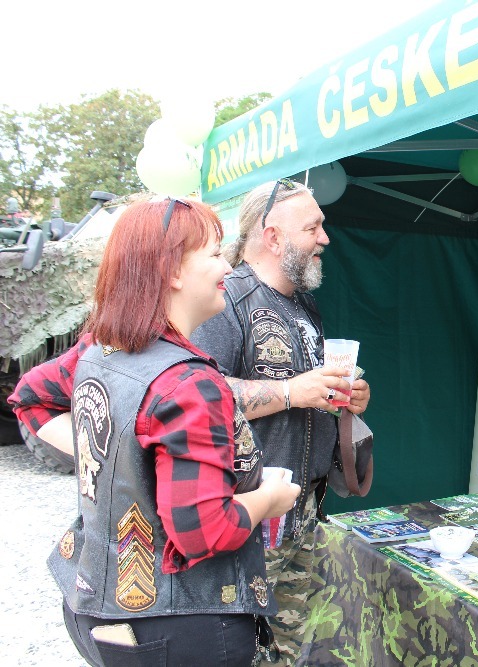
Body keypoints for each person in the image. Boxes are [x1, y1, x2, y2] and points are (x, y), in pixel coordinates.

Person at [9, 198, 301, 666]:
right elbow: (204, 531)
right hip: (179, 626)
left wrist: (116, 455)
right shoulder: (188, 383)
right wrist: (271, 498)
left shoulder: (100, 348)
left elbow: (30, 399)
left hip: (91, 608)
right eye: (212, 252)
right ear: (172, 272)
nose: (226, 265)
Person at [190, 179, 371, 663]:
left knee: (292, 646)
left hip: (306, 508)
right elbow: (196, 394)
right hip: (251, 515)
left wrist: (350, 397)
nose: (325, 238)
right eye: (313, 227)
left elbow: (313, 393)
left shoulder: (302, 303)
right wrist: (292, 392)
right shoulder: (226, 299)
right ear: (272, 237)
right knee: (243, 647)